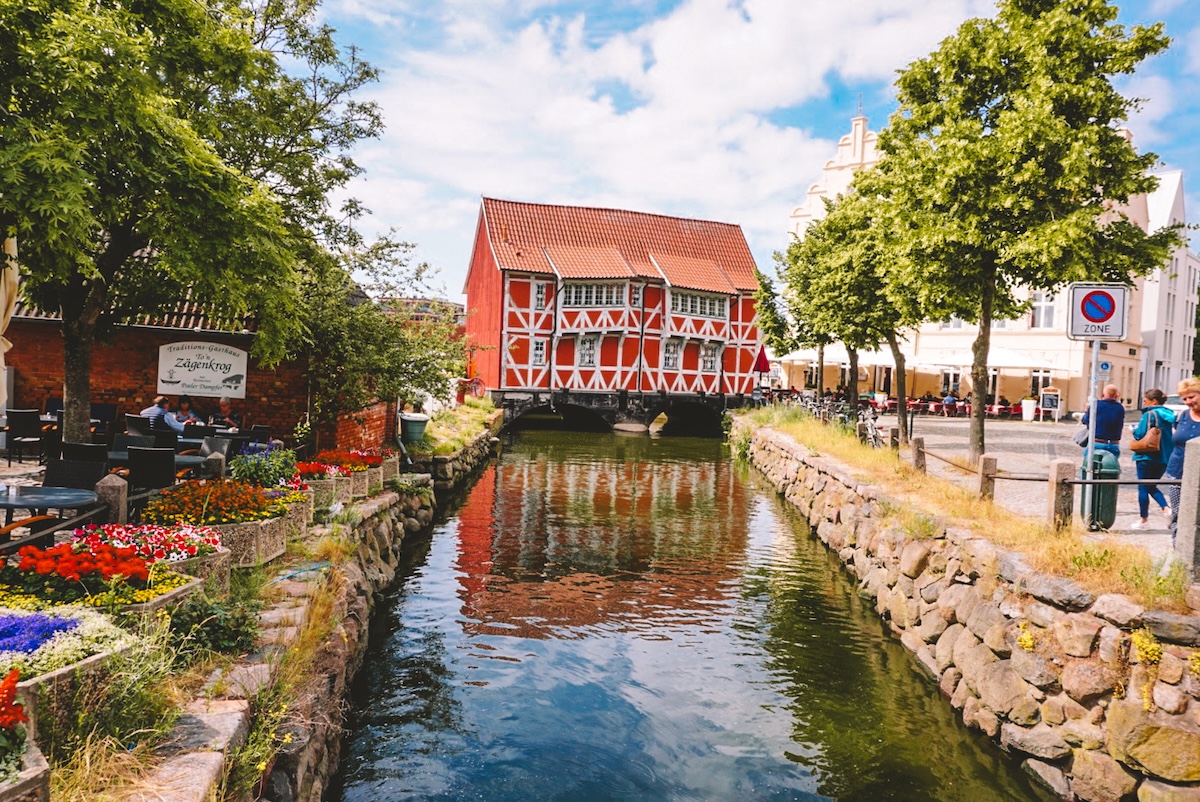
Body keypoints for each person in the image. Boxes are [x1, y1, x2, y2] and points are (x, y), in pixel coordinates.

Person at [1131, 389, 1175, 530]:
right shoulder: (1170, 415)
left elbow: (1139, 434)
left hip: (1147, 455)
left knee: (1143, 487)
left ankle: (1144, 520)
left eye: (1146, 400)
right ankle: (1166, 509)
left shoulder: (1149, 414)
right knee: (1151, 485)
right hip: (1164, 457)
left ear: (1154, 401)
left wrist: (1133, 430)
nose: (1144, 403)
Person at [1164, 377, 1200, 545]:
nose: (1188, 402)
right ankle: (1177, 549)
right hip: (1177, 473)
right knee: (1178, 514)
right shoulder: (1182, 416)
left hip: (1198, 474)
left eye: (1192, 397)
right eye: (1184, 399)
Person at [1081, 384, 1126, 464]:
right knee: (1110, 468)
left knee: (1087, 466)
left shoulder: (1096, 405)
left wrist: (1086, 411)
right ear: (1116, 395)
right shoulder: (1120, 408)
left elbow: (1085, 420)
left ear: (1103, 395)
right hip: (1113, 444)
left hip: (1097, 443)